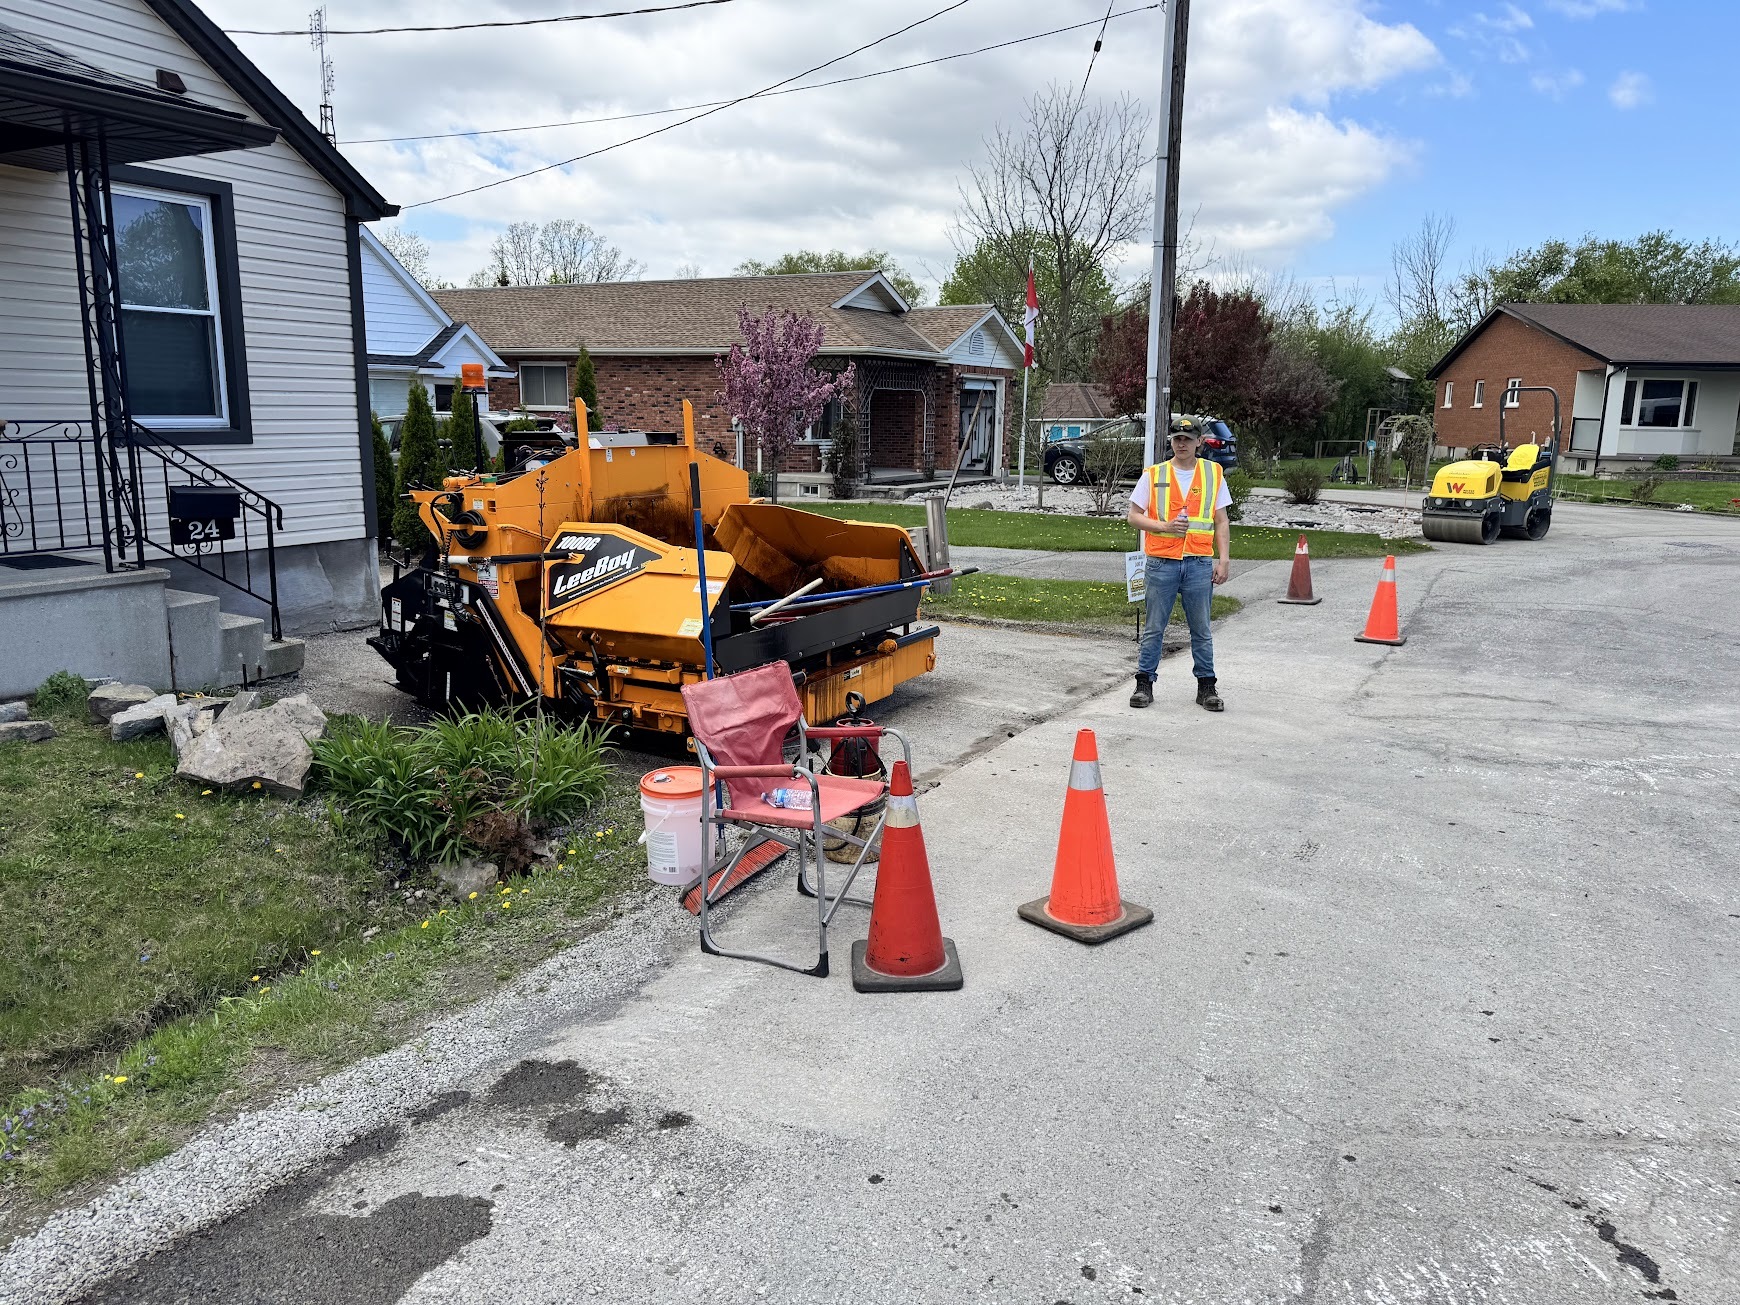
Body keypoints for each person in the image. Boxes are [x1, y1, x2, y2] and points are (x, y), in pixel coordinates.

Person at [1126, 417, 1231, 711]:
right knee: (1154, 627)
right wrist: (1163, 527)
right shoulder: (1154, 474)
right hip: (1162, 563)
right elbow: (1133, 515)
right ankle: (1144, 684)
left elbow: (1221, 521)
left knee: (1201, 629)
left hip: (1198, 563)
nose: (1181, 443)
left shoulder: (1213, 473)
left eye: (1188, 438)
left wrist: (1223, 560)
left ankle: (1206, 687)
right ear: (1171, 442)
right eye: (1176, 438)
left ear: (1200, 441)